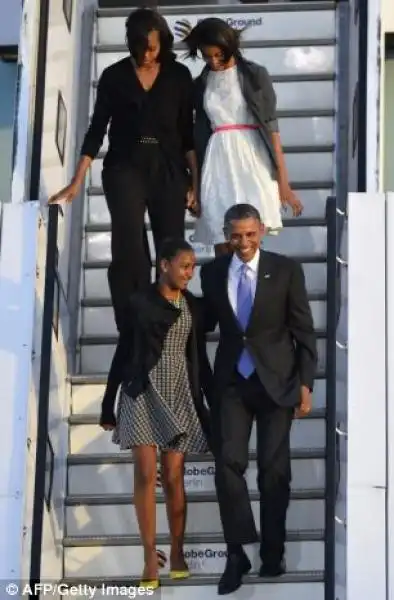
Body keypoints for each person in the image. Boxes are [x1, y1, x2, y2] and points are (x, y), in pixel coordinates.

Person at [48, 7, 199, 425]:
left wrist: (196, 185)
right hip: (125, 168)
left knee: (170, 249)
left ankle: (172, 326)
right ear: (131, 43)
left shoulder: (178, 76)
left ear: (163, 42)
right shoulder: (115, 76)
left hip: (169, 170)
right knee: (129, 248)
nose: (149, 55)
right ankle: (132, 324)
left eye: (154, 47)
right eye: (142, 47)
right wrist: (77, 180)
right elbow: (96, 130)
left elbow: (188, 134)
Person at [199, 204, 317, 595]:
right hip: (232, 383)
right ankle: (237, 552)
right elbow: (208, 323)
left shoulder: (285, 270)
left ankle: (273, 550)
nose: (244, 242)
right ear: (226, 234)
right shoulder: (212, 272)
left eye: (250, 234)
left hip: (277, 382)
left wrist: (306, 383)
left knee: (273, 471)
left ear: (262, 230)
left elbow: (303, 330)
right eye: (236, 235)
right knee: (227, 465)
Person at [101, 238, 212, 589]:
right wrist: (108, 402)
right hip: (141, 389)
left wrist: (209, 401)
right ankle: (150, 556)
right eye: (184, 266)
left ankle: (177, 551)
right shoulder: (139, 302)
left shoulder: (192, 305)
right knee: (147, 475)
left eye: (193, 267)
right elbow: (123, 352)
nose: (189, 273)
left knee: (175, 476)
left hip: (179, 389)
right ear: (164, 265)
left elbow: (198, 357)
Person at [179, 17, 303, 256]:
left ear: (230, 48)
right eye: (207, 56)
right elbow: (195, 135)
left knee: (250, 237)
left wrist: (283, 183)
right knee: (220, 235)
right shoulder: (201, 84)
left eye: (218, 55)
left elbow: (272, 129)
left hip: (252, 157)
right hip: (217, 160)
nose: (213, 61)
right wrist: (194, 187)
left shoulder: (255, 75)